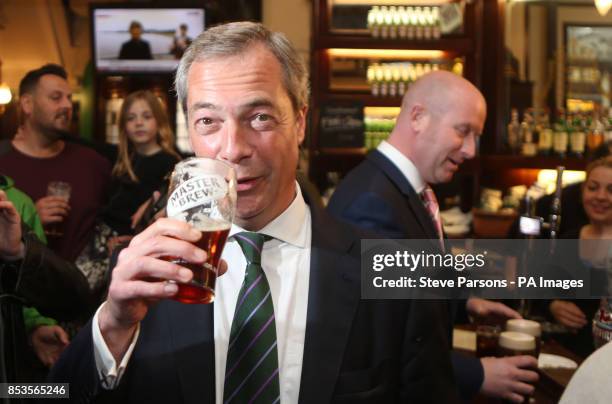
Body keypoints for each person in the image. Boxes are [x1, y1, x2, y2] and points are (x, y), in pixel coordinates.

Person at [50, 22, 461, 403]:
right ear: (189, 130)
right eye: (209, 121)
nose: (233, 148)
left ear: (299, 122)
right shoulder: (147, 272)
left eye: (259, 117)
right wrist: (112, 327)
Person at [327, 71, 539, 403]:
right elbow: (389, 344)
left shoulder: (402, 189)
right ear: (418, 117)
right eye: (463, 131)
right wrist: (479, 375)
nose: (470, 150)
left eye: (476, 136)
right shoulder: (372, 204)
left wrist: (464, 302)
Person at [75, 90, 180, 303]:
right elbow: (85, 144)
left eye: (146, 116)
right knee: (77, 289)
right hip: (101, 238)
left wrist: (131, 243)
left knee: (114, 297)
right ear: (123, 125)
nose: (138, 123)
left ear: (159, 121)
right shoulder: (121, 159)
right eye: (131, 118)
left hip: (134, 243)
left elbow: (162, 214)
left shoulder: (170, 163)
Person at [0, 63, 111, 262]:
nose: (68, 105)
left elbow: (116, 216)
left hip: (84, 290)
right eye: (56, 97)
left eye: (69, 98)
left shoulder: (92, 162)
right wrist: (29, 222)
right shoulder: (3, 162)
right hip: (21, 288)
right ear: (27, 104)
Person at [0, 190, 90, 390]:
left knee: (63, 392)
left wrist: (18, 252)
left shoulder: (11, 206)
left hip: (11, 386)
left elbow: (75, 301)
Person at [545, 156, 612, 357]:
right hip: (567, 357)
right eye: (593, 188)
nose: (600, 196)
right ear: (582, 192)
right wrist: (553, 305)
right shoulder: (570, 239)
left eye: (611, 190)